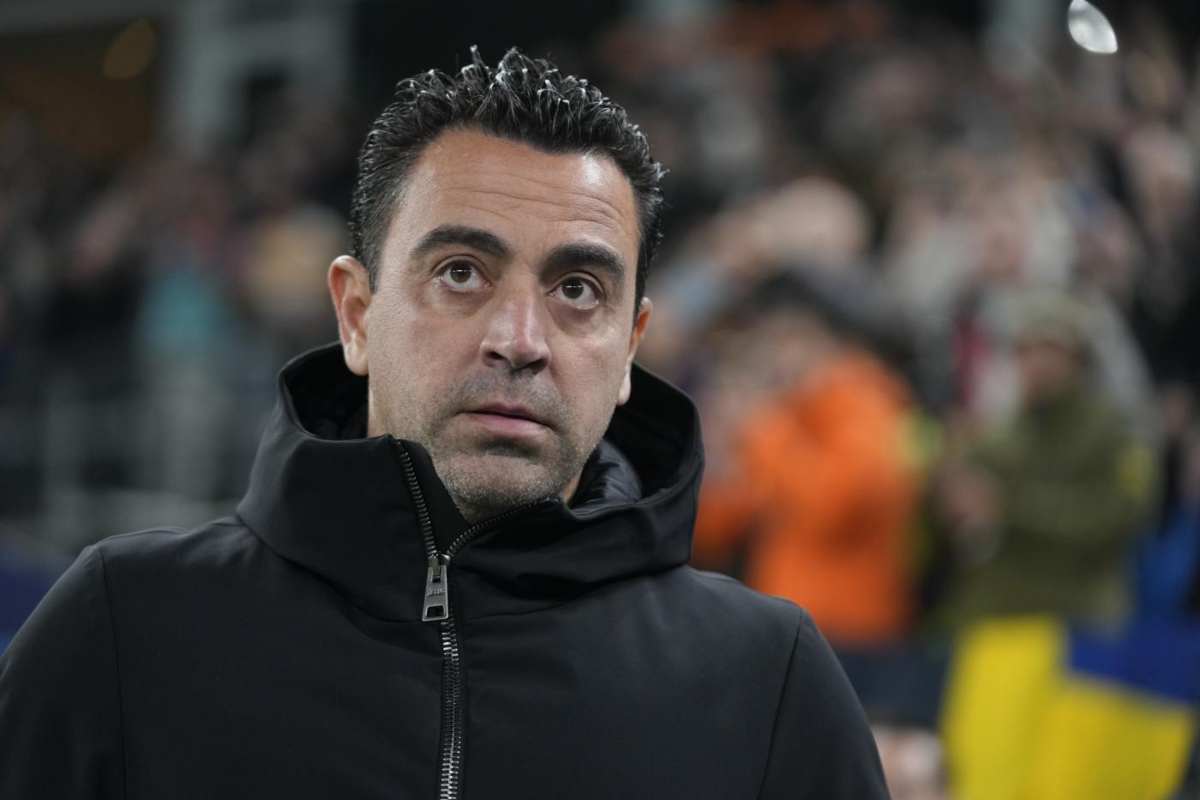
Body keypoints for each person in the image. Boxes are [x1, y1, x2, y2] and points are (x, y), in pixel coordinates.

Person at [0, 49, 886, 798]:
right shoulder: (125, 628)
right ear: (356, 315)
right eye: (462, 272)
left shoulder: (767, 681)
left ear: (630, 350)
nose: (520, 340)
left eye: (578, 290)